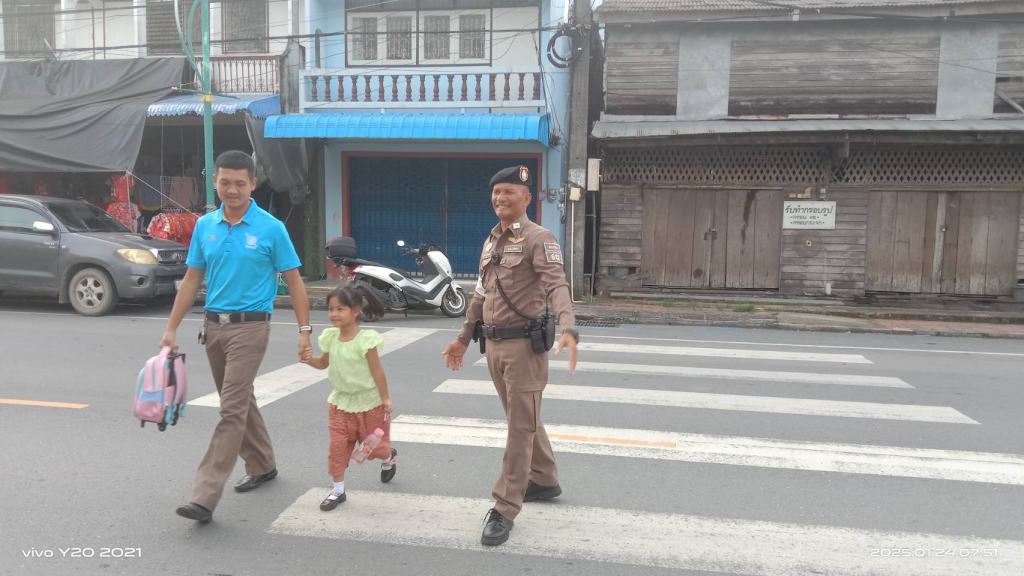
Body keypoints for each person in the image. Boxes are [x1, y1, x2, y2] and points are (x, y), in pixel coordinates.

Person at [159, 150, 312, 523]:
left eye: (240, 183)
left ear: (252, 185)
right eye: (225, 182)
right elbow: (192, 278)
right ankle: (263, 465)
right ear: (215, 181)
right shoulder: (205, 226)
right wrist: (170, 328)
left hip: (251, 328)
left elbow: (295, 282)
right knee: (241, 401)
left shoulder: (271, 228)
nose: (232, 189)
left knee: (230, 409)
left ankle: (204, 496)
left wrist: (305, 331)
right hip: (213, 328)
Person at [442, 165, 580, 546]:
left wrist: (568, 328)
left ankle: (505, 507)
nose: (500, 198)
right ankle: (544, 478)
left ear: (526, 198)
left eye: (508, 192)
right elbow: (480, 294)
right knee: (523, 418)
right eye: (496, 192)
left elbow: (557, 286)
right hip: (493, 346)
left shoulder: (539, 238)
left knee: (519, 428)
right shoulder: (491, 241)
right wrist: (462, 338)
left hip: (523, 349)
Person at [301, 283, 399, 510]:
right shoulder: (330, 337)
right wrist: (308, 360)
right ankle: (338, 491)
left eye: (340, 309)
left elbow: (377, 371)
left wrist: (386, 398)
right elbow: (323, 363)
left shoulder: (366, 340)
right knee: (337, 448)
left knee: (372, 449)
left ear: (355, 311)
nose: (334, 314)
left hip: (370, 404)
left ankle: (388, 458)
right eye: (331, 309)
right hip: (340, 403)